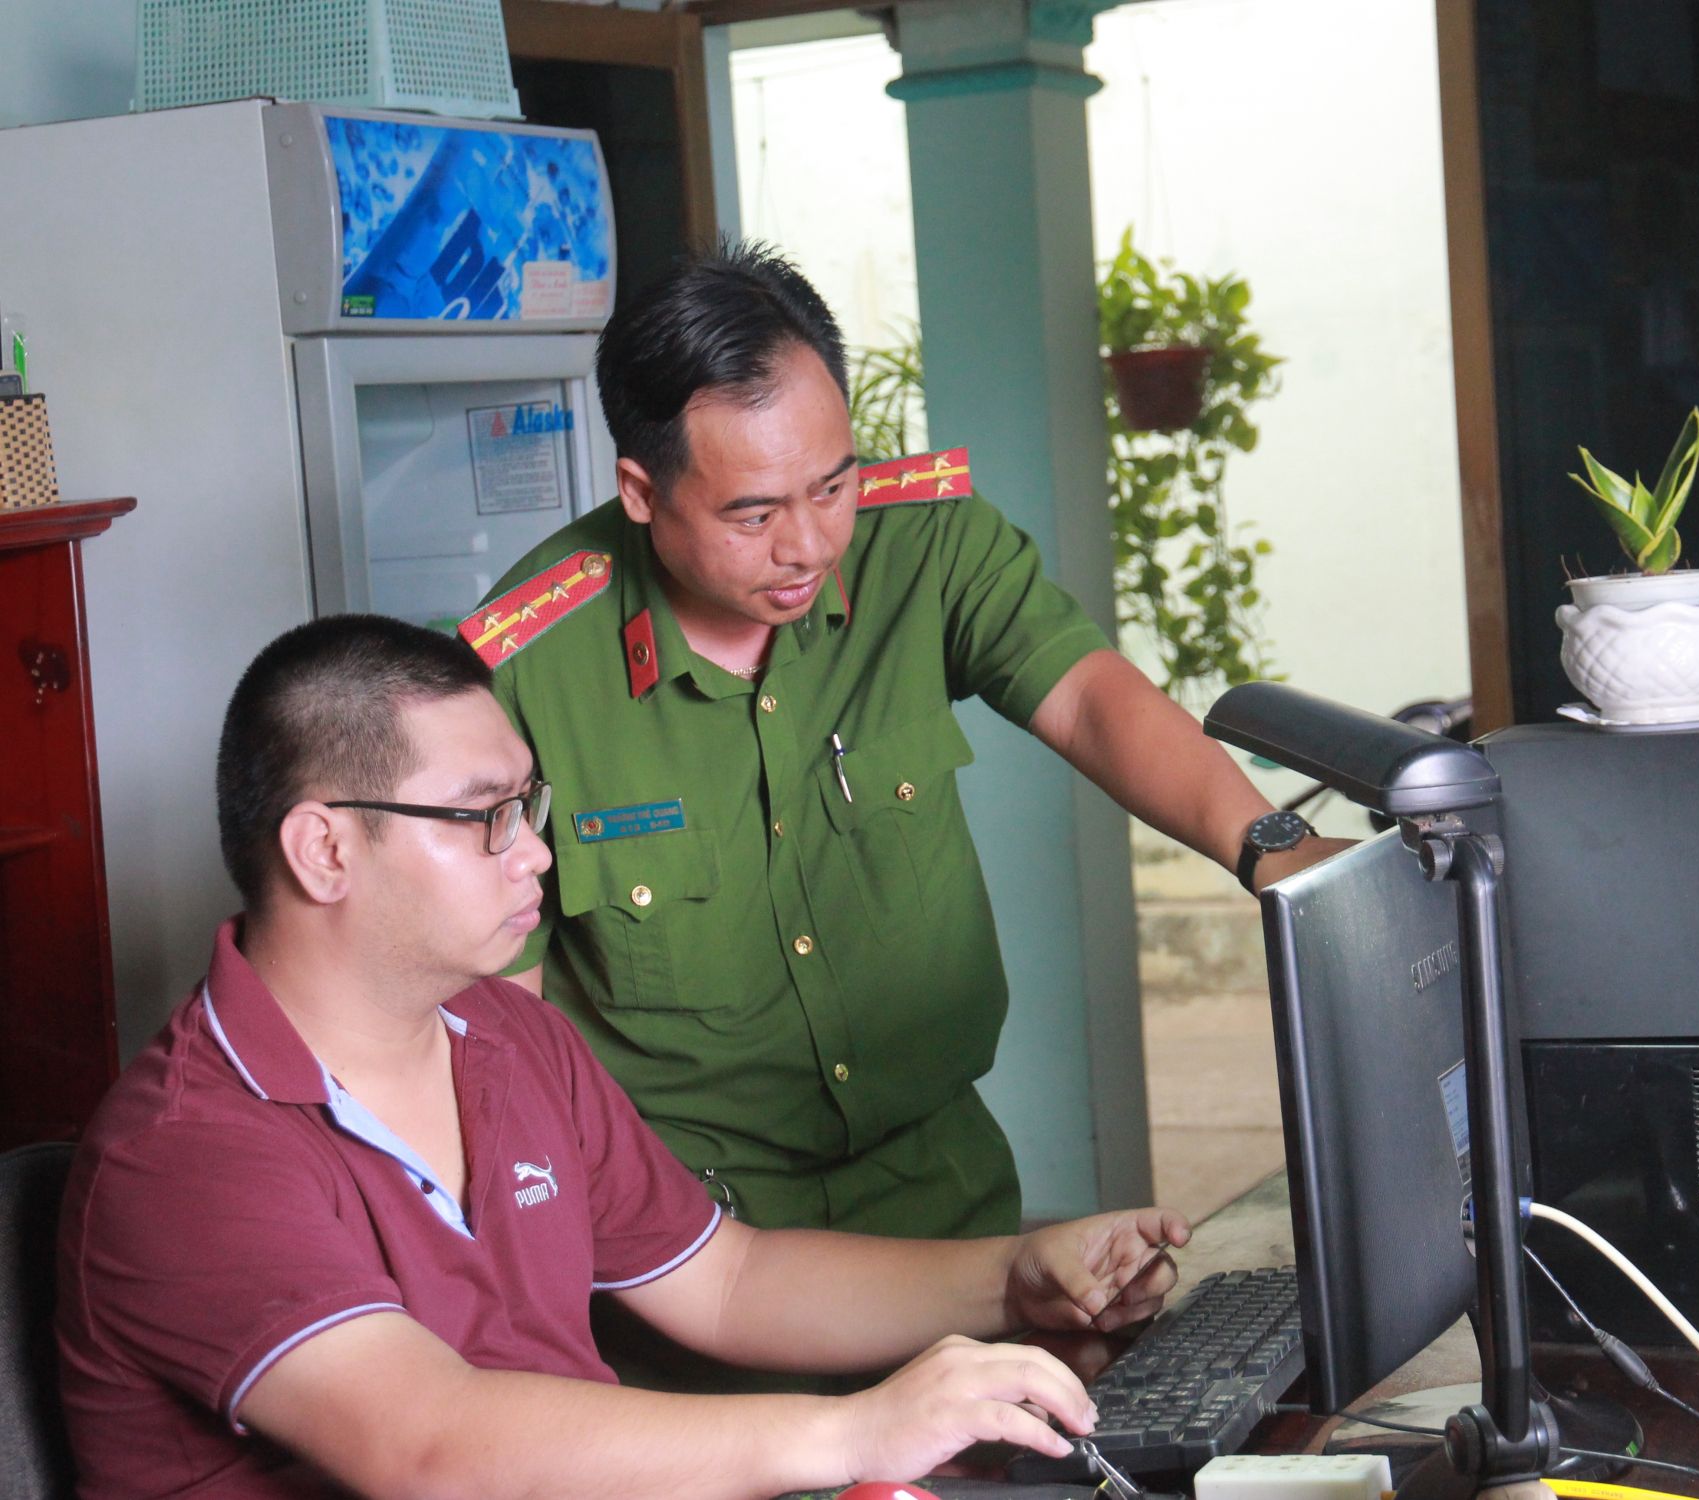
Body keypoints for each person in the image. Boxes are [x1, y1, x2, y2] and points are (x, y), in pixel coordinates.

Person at [56, 615, 1190, 1500]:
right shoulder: (186, 1151)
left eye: (530, 805)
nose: (536, 854)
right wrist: (853, 1430)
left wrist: (1017, 1277)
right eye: (486, 817)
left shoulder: (508, 1035)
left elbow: (729, 1283)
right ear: (325, 849)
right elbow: (427, 1447)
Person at [468, 240, 1338, 1242]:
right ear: (640, 491)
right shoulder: (525, 669)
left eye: (832, 487)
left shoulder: (925, 544)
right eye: (754, 515)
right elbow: (505, 1018)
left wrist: (1273, 849)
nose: (808, 545)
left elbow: (1087, 697)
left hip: (939, 1195)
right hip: (690, 1236)